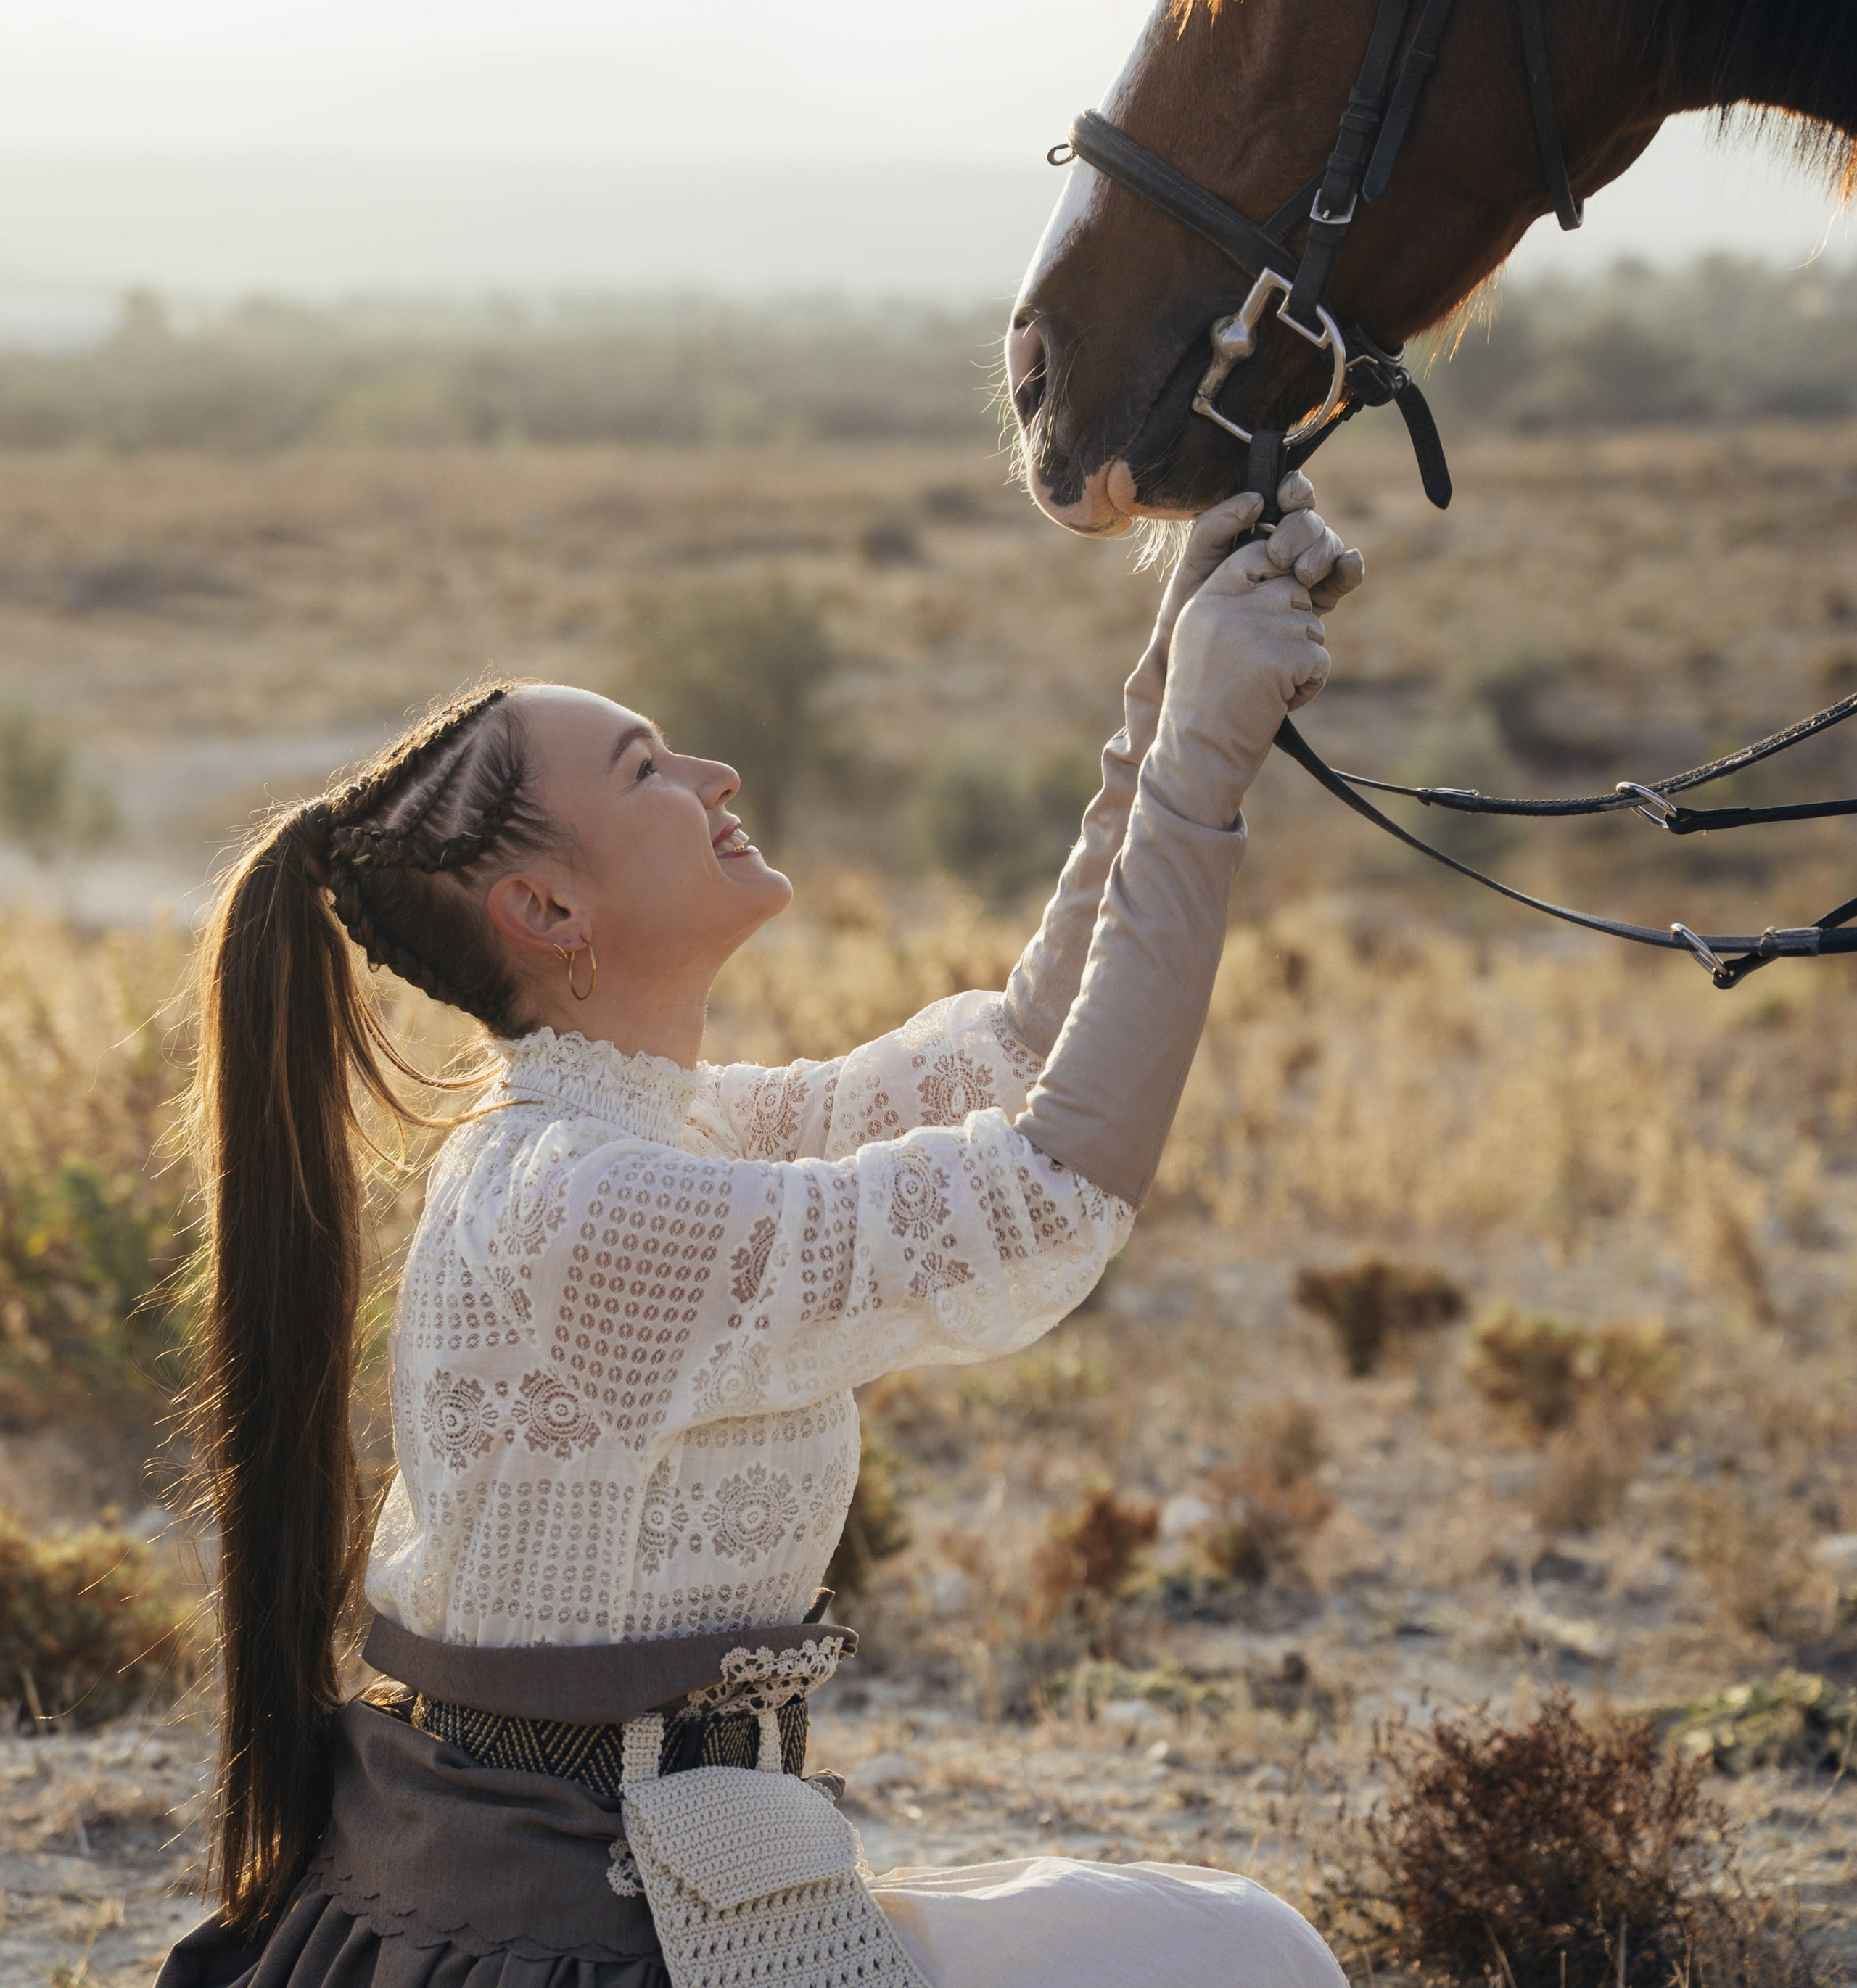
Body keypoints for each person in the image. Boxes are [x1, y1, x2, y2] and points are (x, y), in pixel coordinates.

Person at [160, 480, 1364, 1988]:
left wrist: (1172, 654)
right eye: (651, 767)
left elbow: (1020, 1044)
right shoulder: (588, 1207)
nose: (717, 772)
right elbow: (1052, 1190)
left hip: (640, 1870)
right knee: (1252, 1960)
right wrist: (1202, 765)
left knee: (1214, 1937)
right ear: (547, 905)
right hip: (593, 1937)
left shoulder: (642, 1132)